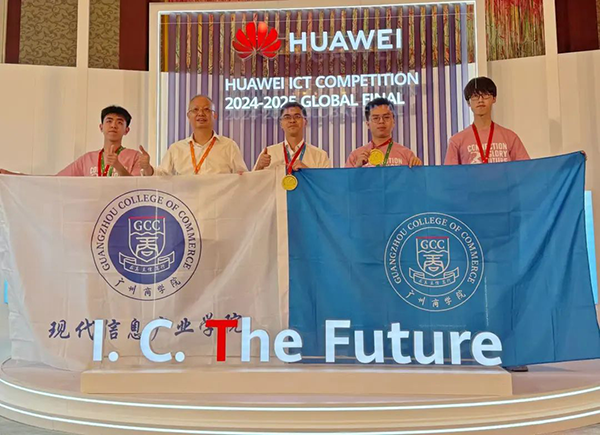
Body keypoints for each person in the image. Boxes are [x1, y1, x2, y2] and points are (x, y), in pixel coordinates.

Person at [0, 106, 142, 176]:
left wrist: (118, 166)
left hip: (120, 215)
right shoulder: (88, 159)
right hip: (91, 214)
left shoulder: (135, 156)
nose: (113, 125)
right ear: (101, 127)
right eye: (109, 121)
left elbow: (138, 188)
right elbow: (56, 181)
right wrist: (14, 176)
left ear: (126, 130)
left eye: (119, 122)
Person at [138, 95, 247, 175]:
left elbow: (243, 179)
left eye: (206, 109)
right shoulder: (176, 149)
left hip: (219, 201)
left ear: (214, 115)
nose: (201, 113)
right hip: (184, 200)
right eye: (195, 110)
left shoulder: (229, 146)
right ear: (188, 116)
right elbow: (161, 176)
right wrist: (147, 168)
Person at [444, 77, 530, 165]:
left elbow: (525, 169)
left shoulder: (510, 137)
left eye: (485, 95)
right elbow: (450, 172)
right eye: (475, 96)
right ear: (468, 102)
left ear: (494, 98)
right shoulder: (456, 141)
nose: (480, 100)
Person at [345, 98, 422, 169]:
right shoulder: (355, 156)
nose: (381, 121)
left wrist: (418, 169)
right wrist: (357, 169)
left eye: (386, 117)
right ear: (368, 124)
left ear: (393, 121)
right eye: (376, 118)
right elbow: (346, 179)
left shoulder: (407, 155)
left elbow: (417, 179)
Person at [254, 102, 330, 172]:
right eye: (287, 117)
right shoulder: (268, 153)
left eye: (297, 116)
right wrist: (259, 166)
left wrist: (307, 172)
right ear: (281, 123)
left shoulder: (320, 156)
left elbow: (326, 182)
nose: (292, 120)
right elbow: (252, 181)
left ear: (305, 122)